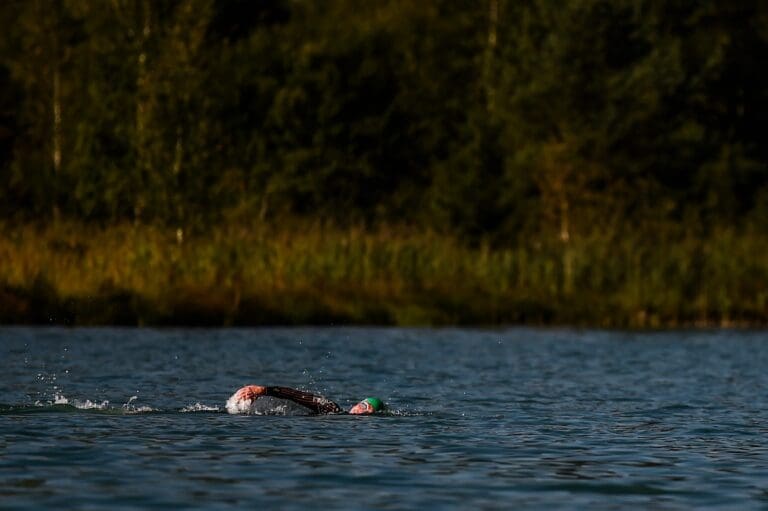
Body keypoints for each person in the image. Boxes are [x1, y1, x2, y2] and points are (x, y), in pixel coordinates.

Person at [227, 385, 385, 415]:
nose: (362, 411)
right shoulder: (332, 409)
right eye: (364, 405)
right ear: (356, 404)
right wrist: (264, 390)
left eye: (368, 411)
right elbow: (298, 395)